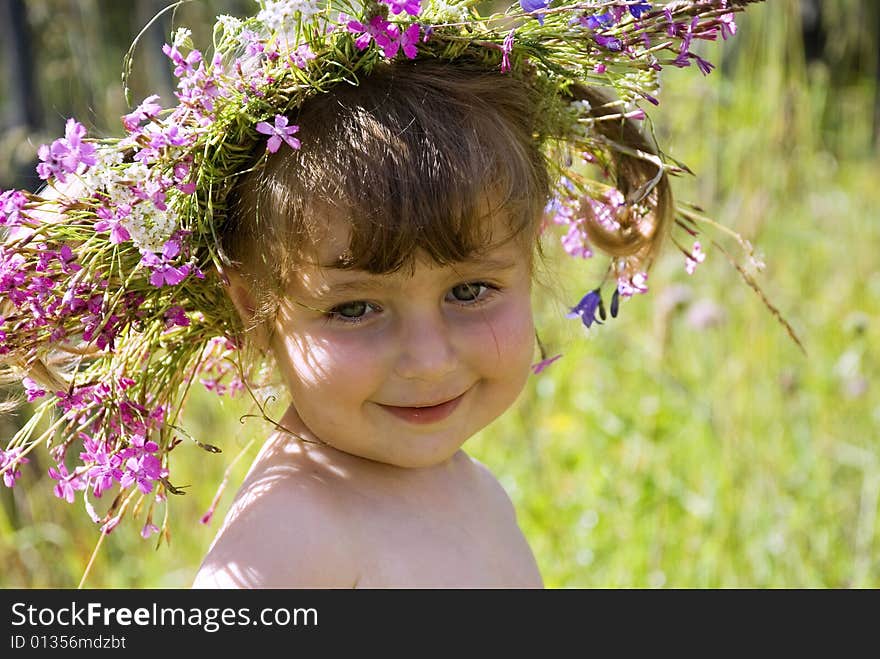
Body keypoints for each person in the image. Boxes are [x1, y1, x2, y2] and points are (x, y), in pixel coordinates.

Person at [0, 0, 761, 588]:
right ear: (253, 308)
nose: (428, 360)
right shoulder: (290, 541)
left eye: (469, 288)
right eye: (354, 307)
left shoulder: (471, 490)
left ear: (530, 259)